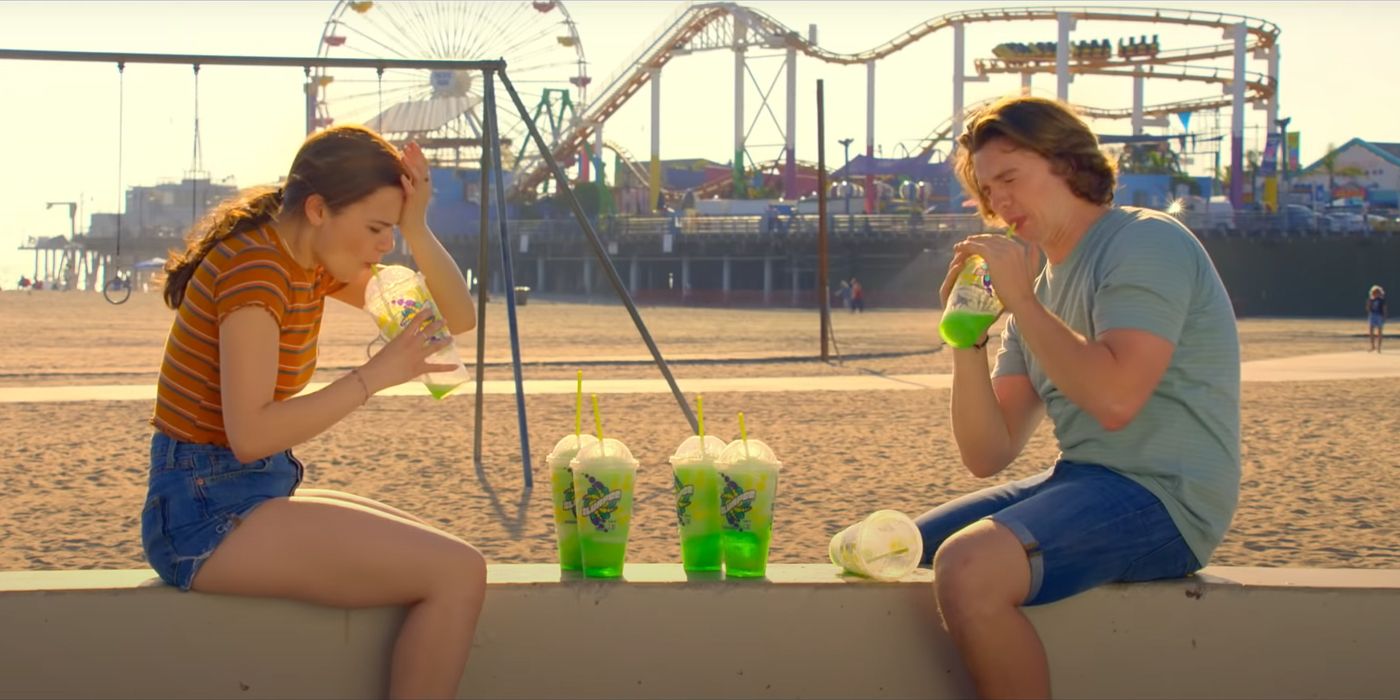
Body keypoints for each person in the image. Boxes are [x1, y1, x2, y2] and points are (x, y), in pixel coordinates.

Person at [141, 125, 484, 700]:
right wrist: (376, 376)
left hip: (246, 491)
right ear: (320, 208)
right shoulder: (256, 271)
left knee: (450, 558)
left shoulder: (307, 259)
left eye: (392, 231)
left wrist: (417, 225)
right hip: (202, 514)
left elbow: (452, 318)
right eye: (378, 229)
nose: (385, 247)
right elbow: (250, 435)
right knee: (457, 571)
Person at [917, 95, 1240, 699]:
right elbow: (988, 451)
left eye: (1011, 178)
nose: (999, 204)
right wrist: (965, 337)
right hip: (1082, 479)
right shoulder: (1033, 293)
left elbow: (1116, 398)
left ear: (1067, 162)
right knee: (896, 549)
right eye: (988, 191)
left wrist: (1024, 301)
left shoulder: (1146, 242)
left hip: (1168, 498)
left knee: (969, 568)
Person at [1367, 285, 1387, 352]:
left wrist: (1384, 317)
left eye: (1377, 292)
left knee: (1380, 332)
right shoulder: (1371, 300)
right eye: (1374, 293)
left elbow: (1384, 309)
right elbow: (1368, 308)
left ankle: (1379, 347)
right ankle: (1372, 346)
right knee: (1371, 331)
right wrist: (1369, 303)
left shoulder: (1382, 300)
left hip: (1379, 316)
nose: (1376, 294)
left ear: (1380, 293)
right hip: (1372, 315)